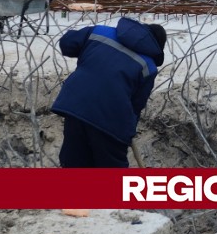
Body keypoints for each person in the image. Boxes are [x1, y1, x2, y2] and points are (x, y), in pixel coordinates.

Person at [52, 17, 166, 167]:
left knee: (74, 162)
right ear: (156, 48)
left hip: (76, 106)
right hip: (111, 120)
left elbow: (67, 44)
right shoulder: (148, 66)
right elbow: (136, 106)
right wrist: (126, 134)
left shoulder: (100, 32)